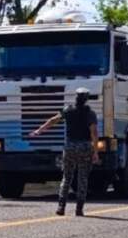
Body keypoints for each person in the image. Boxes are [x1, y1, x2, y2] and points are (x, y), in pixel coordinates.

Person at [30, 87, 99, 216]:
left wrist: (39, 130)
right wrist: (95, 151)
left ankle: (61, 206)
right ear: (86, 99)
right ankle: (79, 209)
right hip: (84, 148)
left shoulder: (68, 110)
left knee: (66, 177)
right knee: (83, 178)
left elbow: (53, 120)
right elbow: (94, 132)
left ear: (76, 98)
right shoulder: (90, 113)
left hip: (69, 147)